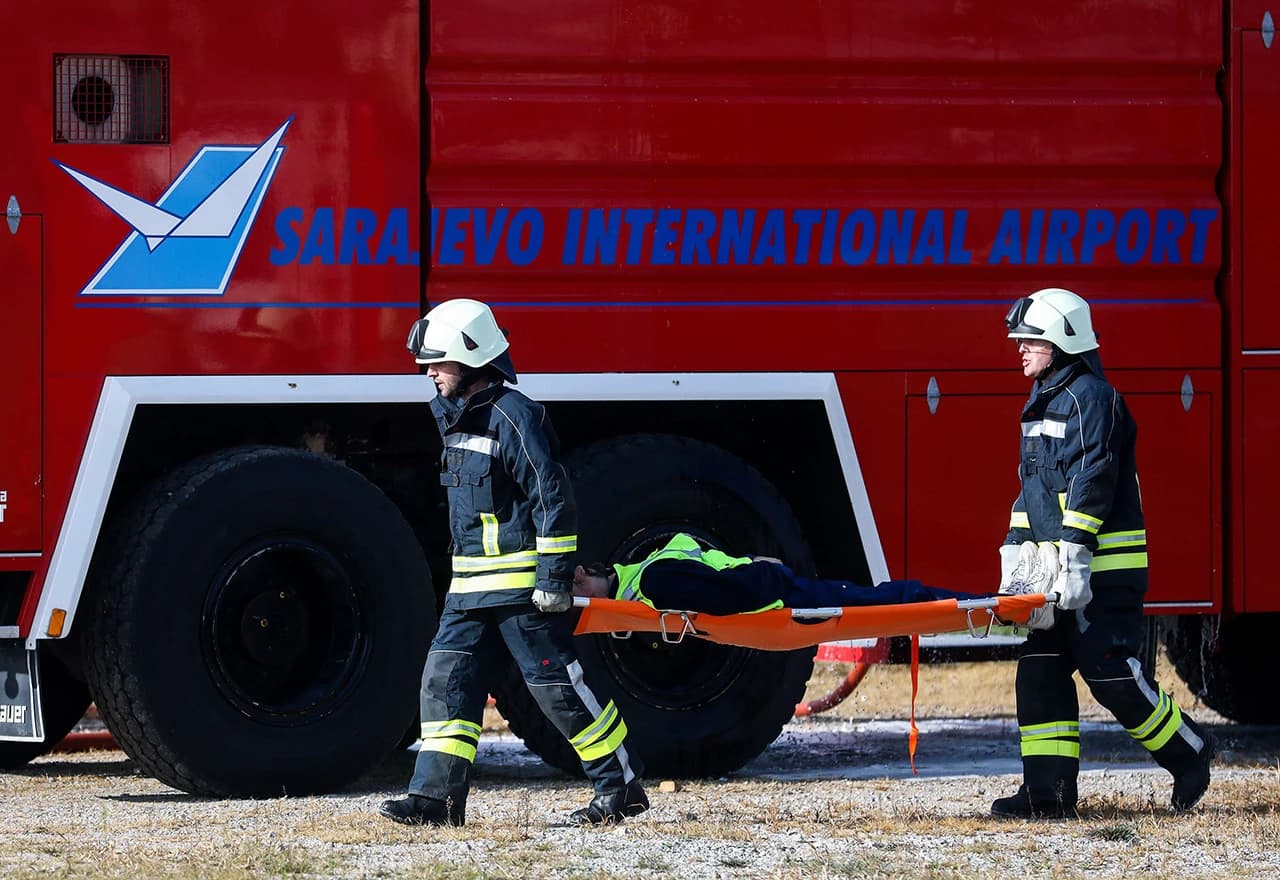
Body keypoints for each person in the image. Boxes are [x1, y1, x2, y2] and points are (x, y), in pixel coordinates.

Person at [379, 299, 646, 827]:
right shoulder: (455, 419)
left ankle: (621, 788)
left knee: (557, 690)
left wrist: (551, 581)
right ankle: (437, 801)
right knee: (445, 684)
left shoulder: (514, 416)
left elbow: (552, 498)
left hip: (523, 591)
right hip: (470, 592)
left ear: (472, 358)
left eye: (439, 363)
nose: (428, 373)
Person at [991, 287, 1215, 819]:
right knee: (1040, 671)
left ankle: (1190, 754)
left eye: (1031, 340)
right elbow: (1033, 489)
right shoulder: (1042, 400)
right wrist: (1017, 549)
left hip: (1102, 570)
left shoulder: (1093, 398)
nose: (1019, 348)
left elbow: (1094, 481)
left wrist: (1073, 552)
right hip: (1058, 574)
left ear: (1062, 340)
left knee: (1110, 673)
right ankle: (1048, 796)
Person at [571, 532, 987, 614]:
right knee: (868, 597)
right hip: (768, 586)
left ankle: (972, 605)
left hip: (775, 596)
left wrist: (763, 574)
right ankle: (967, 602)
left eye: (579, 589)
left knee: (873, 601)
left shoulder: (651, 581)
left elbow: (725, 597)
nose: (585, 598)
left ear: (583, 574)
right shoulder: (644, 575)